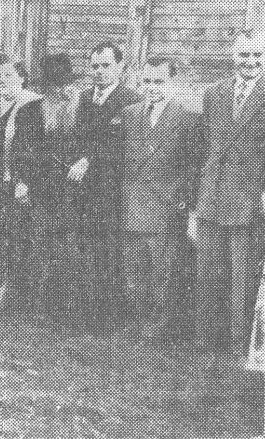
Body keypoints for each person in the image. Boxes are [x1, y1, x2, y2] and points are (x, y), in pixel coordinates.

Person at [190, 30, 265, 353]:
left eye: (257, 56)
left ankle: (237, 343)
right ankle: (206, 338)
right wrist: (197, 196)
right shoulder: (215, 93)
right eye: (244, 55)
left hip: (249, 198)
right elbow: (204, 146)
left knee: (242, 273)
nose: (250, 62)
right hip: (212, 194)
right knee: (208, 269)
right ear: (233, 56)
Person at [120, 57, 202, 342]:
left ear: (173, 83)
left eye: (159, 82)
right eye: (147, 81)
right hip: (131, 205)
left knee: (162, 272)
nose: (152, 87)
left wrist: (182, 199)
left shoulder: (188, 119)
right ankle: (137, 320)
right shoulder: (129, 114)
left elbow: (193, 165)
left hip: (165, 208)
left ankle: (157, 326)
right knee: (133, 270)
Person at [67, 42, 141, 334]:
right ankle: (82, 313)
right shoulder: (83, 98)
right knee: (82, 248)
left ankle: (106, 319)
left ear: (120, 67)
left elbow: (120, 146)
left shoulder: (130, 101)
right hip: (80, 189)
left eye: (105, 65)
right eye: (94, 66)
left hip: (111, 191)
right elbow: (72, 137)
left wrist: (88, 160)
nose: (99, 72)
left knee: (108, 252)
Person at [0, 61, 44, 307]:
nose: (1, 79)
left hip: (15, 183)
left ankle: (11, 288)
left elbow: (32, 148)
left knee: (14, 236)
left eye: (8, 75)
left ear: (22, 78)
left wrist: (24, 181)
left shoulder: (32, 105)